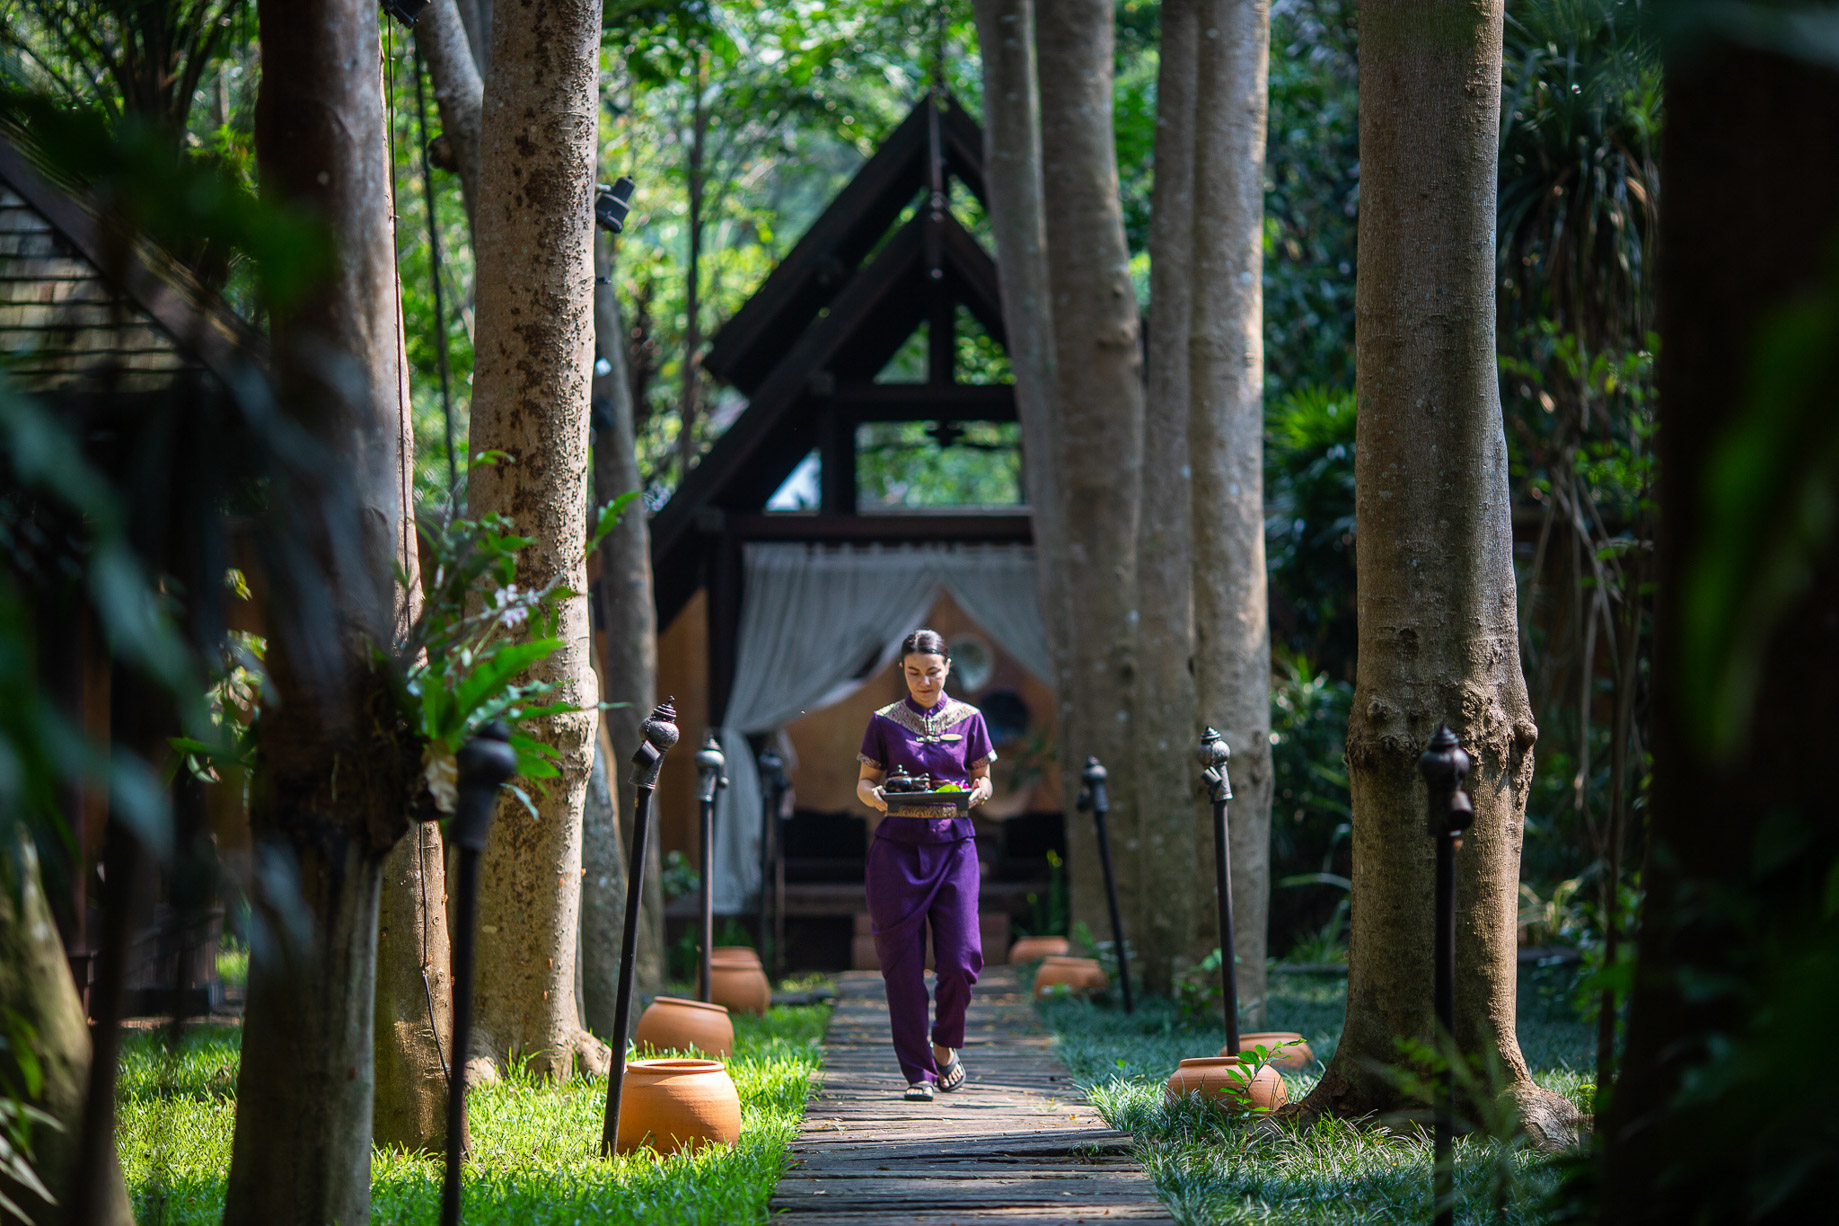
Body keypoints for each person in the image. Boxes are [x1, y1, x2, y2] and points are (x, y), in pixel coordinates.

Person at [855, 629, 995, 1102]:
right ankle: (918, 1072)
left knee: (961, 959)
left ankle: (944, 1043)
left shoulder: (970, 719)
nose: (924, 681)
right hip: (896, 852)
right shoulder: (884, 721)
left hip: (955, 847)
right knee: (903, 966)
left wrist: (980, 792)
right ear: (903, 670)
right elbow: (865, 782)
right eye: (914, 672)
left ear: (948, 668)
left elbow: (983, 777)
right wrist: (876, 797)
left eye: (933, 672)